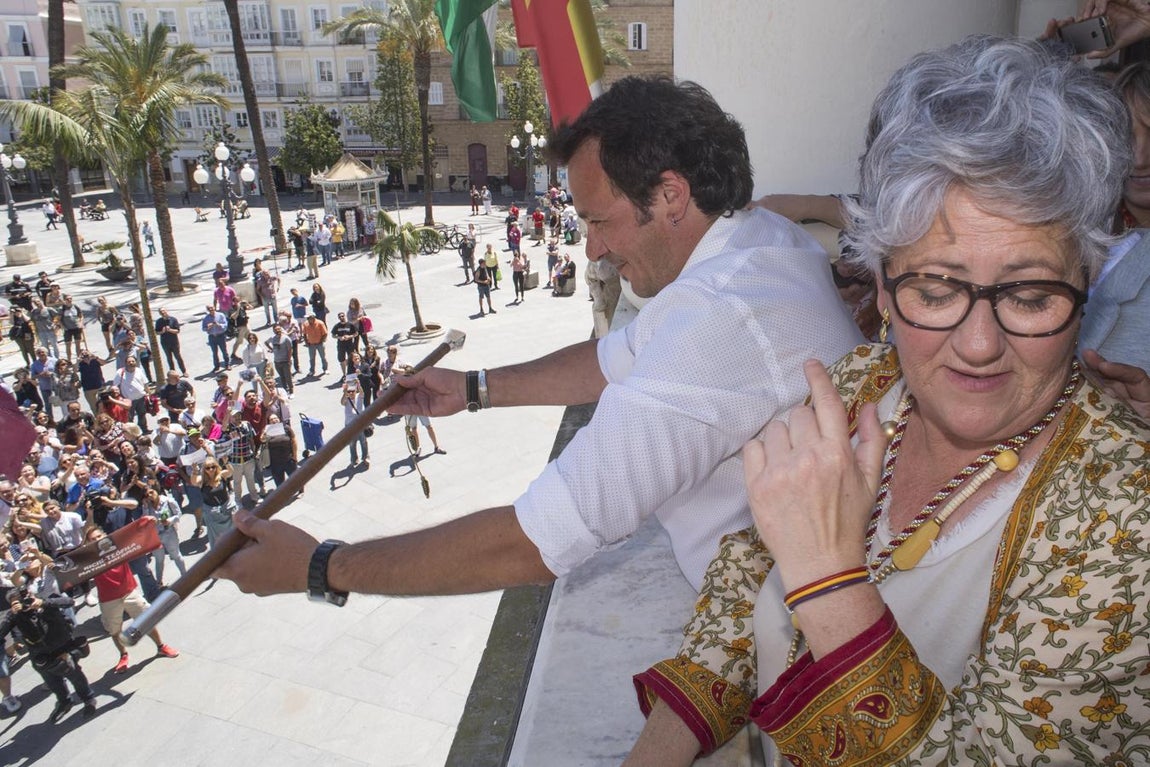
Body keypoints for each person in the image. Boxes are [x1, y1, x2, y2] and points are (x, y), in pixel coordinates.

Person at [216, 75, 859, 675]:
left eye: (598, 221)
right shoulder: (760, 243)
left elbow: (535, 541)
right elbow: (614, 360)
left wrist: (321, 567)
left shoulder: (719, 321)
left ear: (670, 197)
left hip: (797, 652)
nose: (591, 249)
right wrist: (473, 389)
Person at [626, 37, 1150, 766]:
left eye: (1030, 296)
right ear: (878, 284)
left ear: (1085, 286)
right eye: (934, 290)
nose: (976, 344)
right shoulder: (859, 388)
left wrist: (831, 583)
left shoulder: (1126, 512)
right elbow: (736, 602)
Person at [83, 527, 179, 674]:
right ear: (88, 543)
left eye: (98, 537)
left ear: (105, 535)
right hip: (108, 599)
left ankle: (161, 647)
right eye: (92, 540)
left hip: (129, 592)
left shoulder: (118, 547)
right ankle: (123, 655)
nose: (97, 541)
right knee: (114, 630)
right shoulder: (89, 558)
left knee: (146, 620)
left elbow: (137, 542)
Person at [0, 586, 96, 722]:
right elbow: (2, 630)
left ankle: (88, 699)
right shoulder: (15, 614)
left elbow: (69, 601)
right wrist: (12, 613)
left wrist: (42, 603)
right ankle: (64, 702)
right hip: (40, 654)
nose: (24, 604)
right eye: (18, 602)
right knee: (52, 681)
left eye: (23, 600)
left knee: (74, 675)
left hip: (62, 647)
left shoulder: (44, 600)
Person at [189, 457, 235, 549]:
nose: (211, 470)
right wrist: (194, 470)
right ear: (204, 469)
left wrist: (227, 462)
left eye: (213, 467)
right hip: (212, 515)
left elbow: (230, 472)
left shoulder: (222, 475)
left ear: (216, 467)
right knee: (217, 540)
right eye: (207, 468)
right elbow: (193, 482)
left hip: (226, 510)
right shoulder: (201, 480)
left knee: (232, 535)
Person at [155, 308, 187, 375]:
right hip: (165, 342)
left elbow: (177, 331)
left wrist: (170, 330)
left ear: (166, 311)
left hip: (174, 342)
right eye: (161, 312)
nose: (163, 312)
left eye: (164, 311)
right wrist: (162, 331)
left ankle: (184, 371)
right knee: (169, 358)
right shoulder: (158, 321)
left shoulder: (173, 319)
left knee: (178, 357)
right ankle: (172, 373)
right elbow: (157, 332)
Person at [201, 304, 230, 373]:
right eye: (209, 309)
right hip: (212, 337)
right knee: (214, 352)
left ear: (214, 308)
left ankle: (227, 364)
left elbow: (225, 325)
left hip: (220, 336)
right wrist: (208, 327)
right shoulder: (206, 318)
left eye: (212, 308)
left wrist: (218, 325)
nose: (211, 310)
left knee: (224, 351)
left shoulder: (220, 315)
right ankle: (216, 366)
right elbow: (203, 328)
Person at [57, 294, 84, 361]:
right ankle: (69, 360)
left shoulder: (75, 306)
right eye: (67, 299)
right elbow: (59, 319)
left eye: (70, 299)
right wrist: (63, 327)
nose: (69, 300)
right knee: (68, 345)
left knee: (78, 345)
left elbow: (81, 316)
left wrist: (81, 323)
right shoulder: (62, 308)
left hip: (76, 327)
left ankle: (79, 360)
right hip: (68, 329)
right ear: (64, 300)